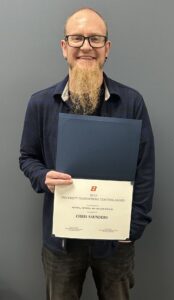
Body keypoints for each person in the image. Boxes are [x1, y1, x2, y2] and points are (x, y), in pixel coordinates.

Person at [19, 7, 155, 300]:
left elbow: (144, 169)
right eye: (77, 38)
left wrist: (131, 229)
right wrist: (43, 176)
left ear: (106, 48)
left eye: (95, 39)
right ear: (64, 47)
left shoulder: (131, 102)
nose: (86, 47)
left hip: (115, 242)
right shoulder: (40, 104)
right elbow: (27, 157)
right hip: (62, 242)